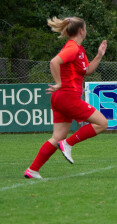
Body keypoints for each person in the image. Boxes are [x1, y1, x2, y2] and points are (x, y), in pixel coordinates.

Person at [24, 16, 108, 179]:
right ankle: (68, 144)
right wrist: (59, 83)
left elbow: (87, 70)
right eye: (86, 28)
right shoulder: (73, 48)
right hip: (67, 97)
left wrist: (99, 55)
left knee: (57, 137)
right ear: (81, 31)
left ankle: (33, 170)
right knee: (102, 123)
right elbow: (54, 62)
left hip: (60, 98)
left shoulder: (78, 49)